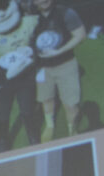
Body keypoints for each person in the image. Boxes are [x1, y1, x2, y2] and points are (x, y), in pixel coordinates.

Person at [0, 0, 41, 152]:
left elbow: (40, 41)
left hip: (26, 78)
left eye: (4, 6)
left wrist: (31, 54)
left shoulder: (30, 22)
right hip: (4, 82)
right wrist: (8, 71)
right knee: (2, 113)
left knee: (27, 109)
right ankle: (3, 140)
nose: (2, 13)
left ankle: (32, 134)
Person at [30, 0, 86, 140]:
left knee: (71, 103)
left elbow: (80, 35)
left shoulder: (66, 13)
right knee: (46, 99)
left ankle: (72, 129)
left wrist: (59, 51)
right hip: (42, 68)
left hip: (66, 64)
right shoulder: (31, 18)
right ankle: (50, 126)